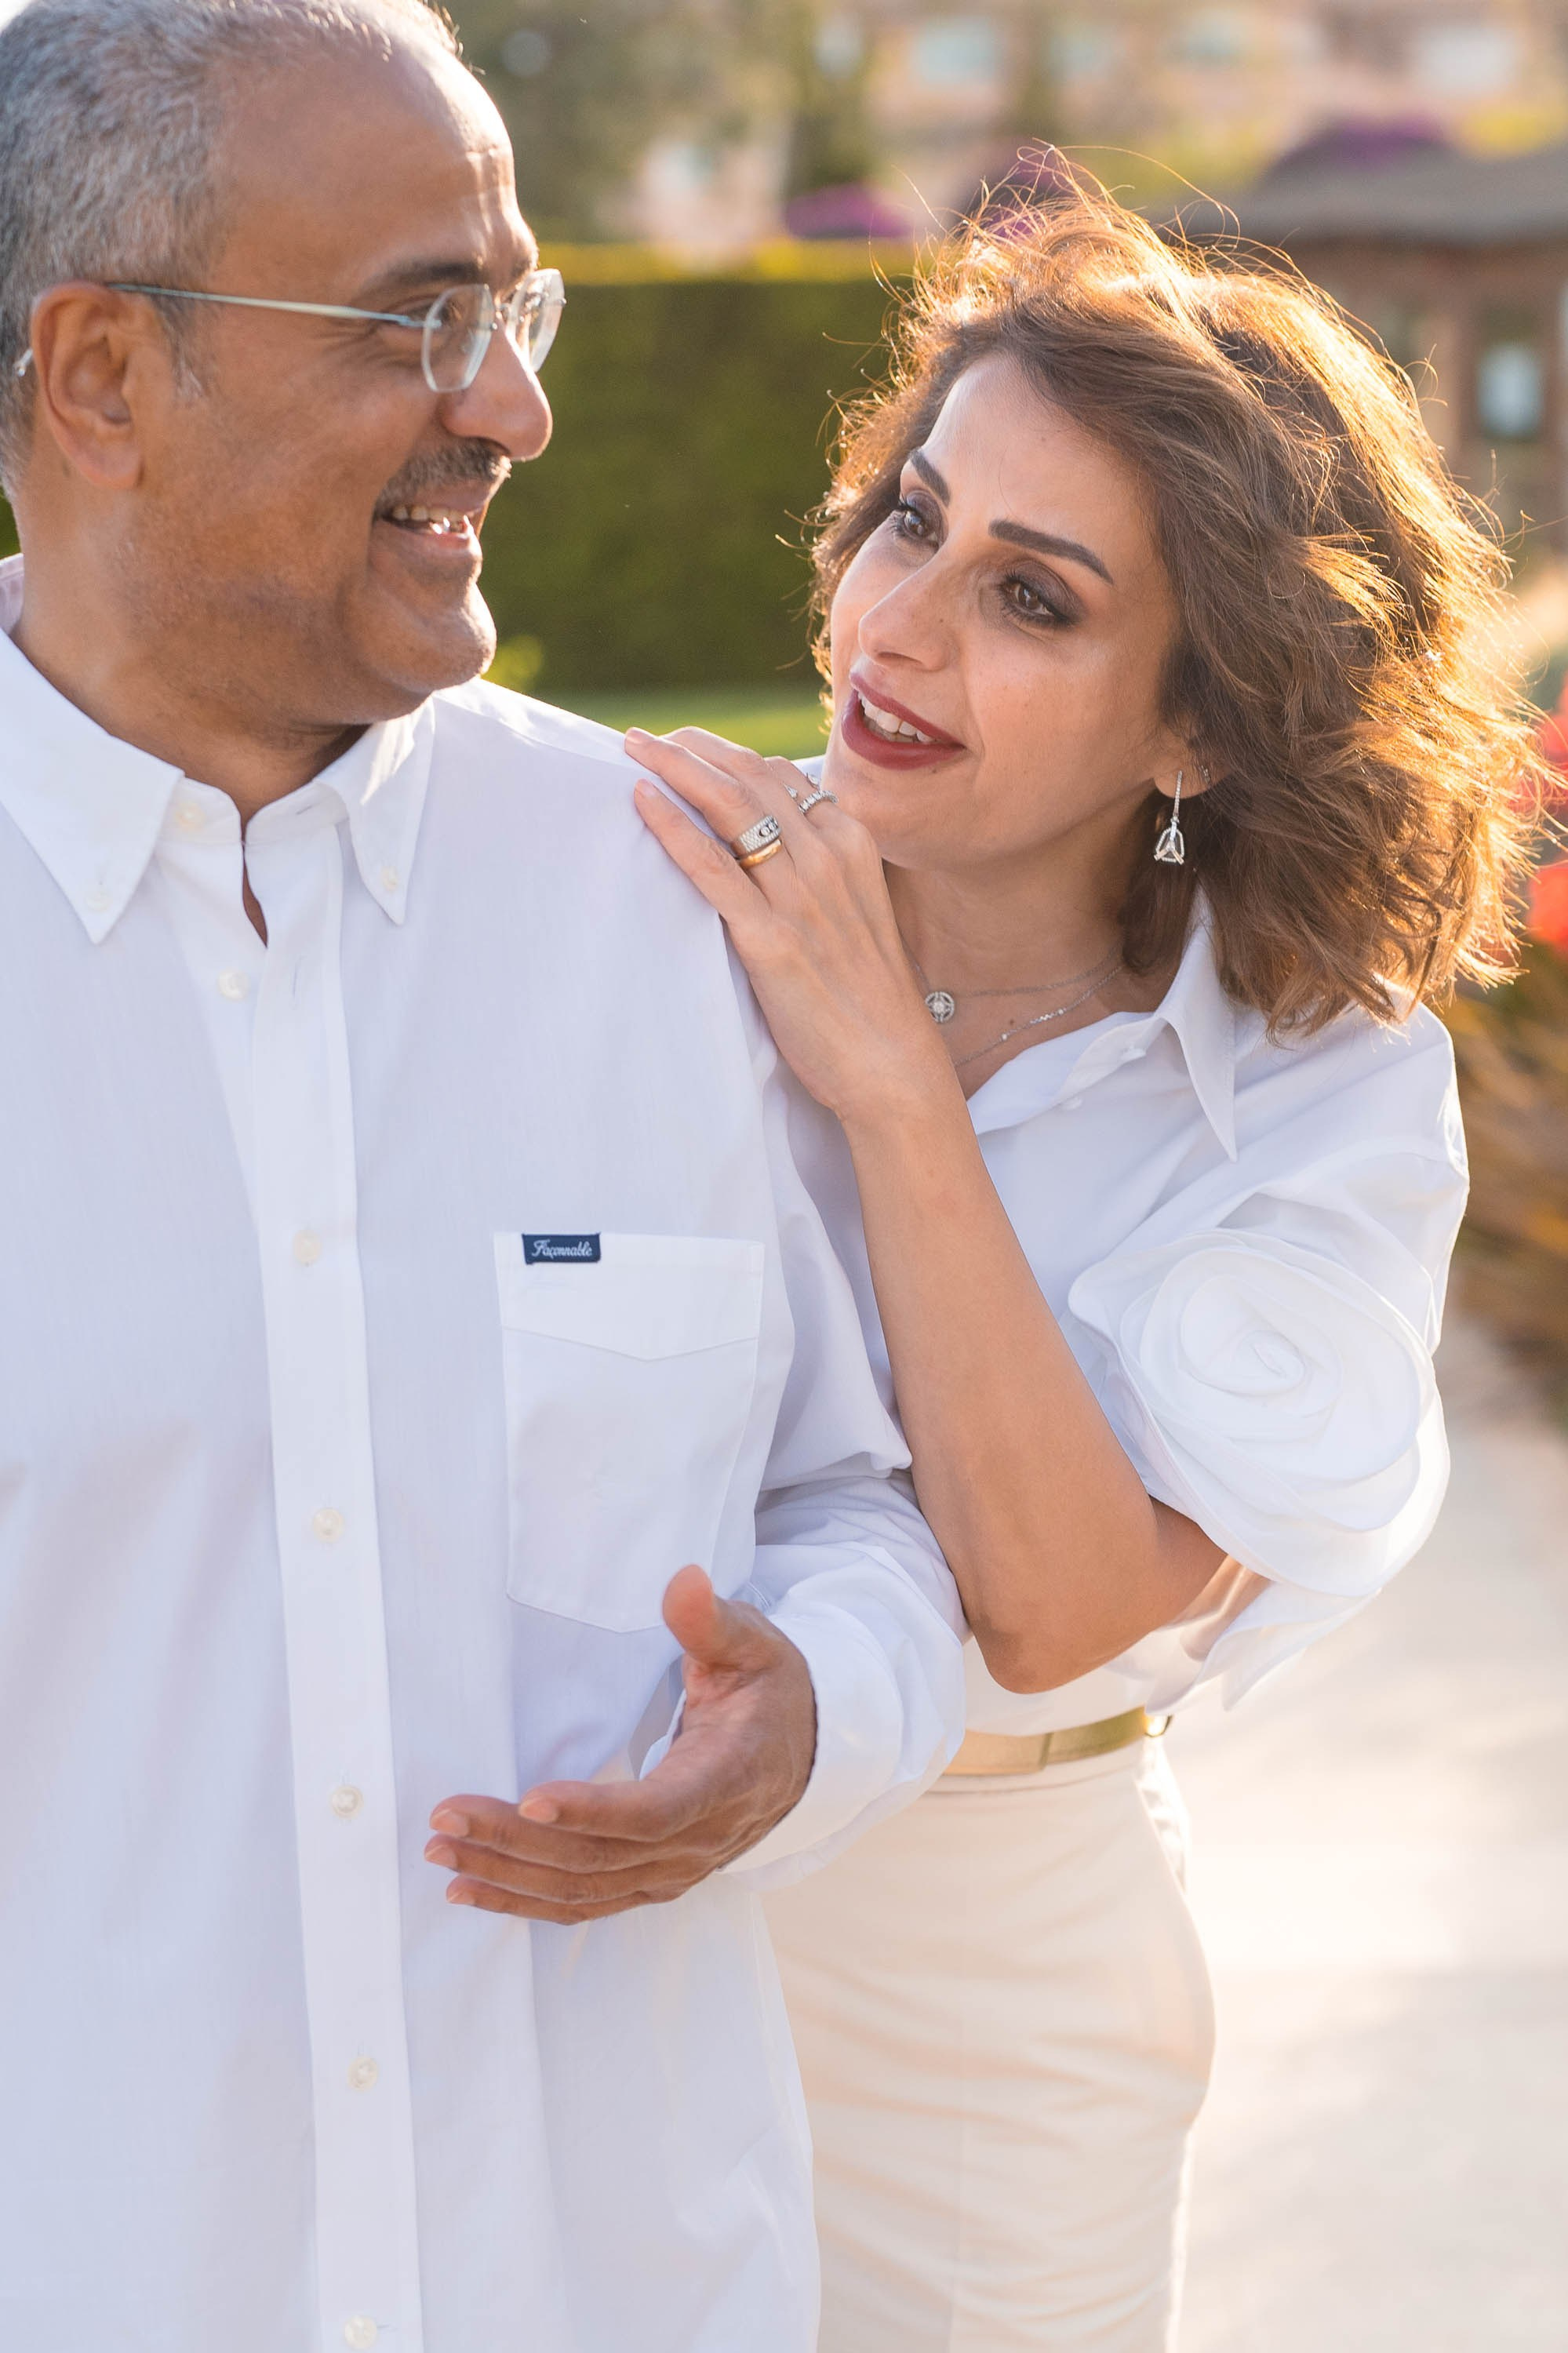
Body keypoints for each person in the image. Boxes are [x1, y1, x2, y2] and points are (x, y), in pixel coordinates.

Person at [0, 4, 966, 2348]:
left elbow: (858, 1502)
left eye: (515, 309)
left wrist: (813, 1715)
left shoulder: (671, 896)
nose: (517, 407)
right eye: (419, 320)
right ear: (103, 378)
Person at [632, 189, 1537, 2351]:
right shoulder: (634, 902)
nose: (899, 623)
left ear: (1198, 725)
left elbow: (1057, 1601)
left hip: (987, 2012)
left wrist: (895, 1093)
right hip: (583, 1910)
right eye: (912, 521)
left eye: (1031, 595)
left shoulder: (1322, 1095)